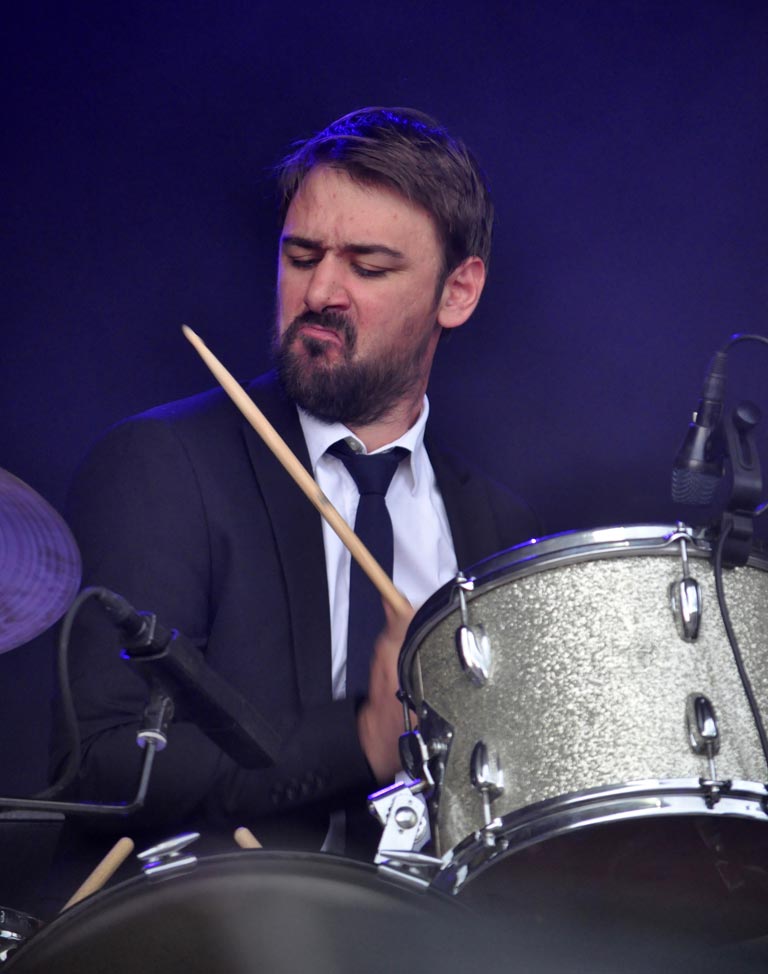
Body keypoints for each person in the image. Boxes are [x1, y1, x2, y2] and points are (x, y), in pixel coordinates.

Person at [51, 107, 538, 868]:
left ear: (458, 291)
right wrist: (361, 740)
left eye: (369, 268)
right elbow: (104, 763)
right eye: (302, 256)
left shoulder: (497, 525)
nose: (320, 293)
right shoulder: (163, 465)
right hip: (225, 923)